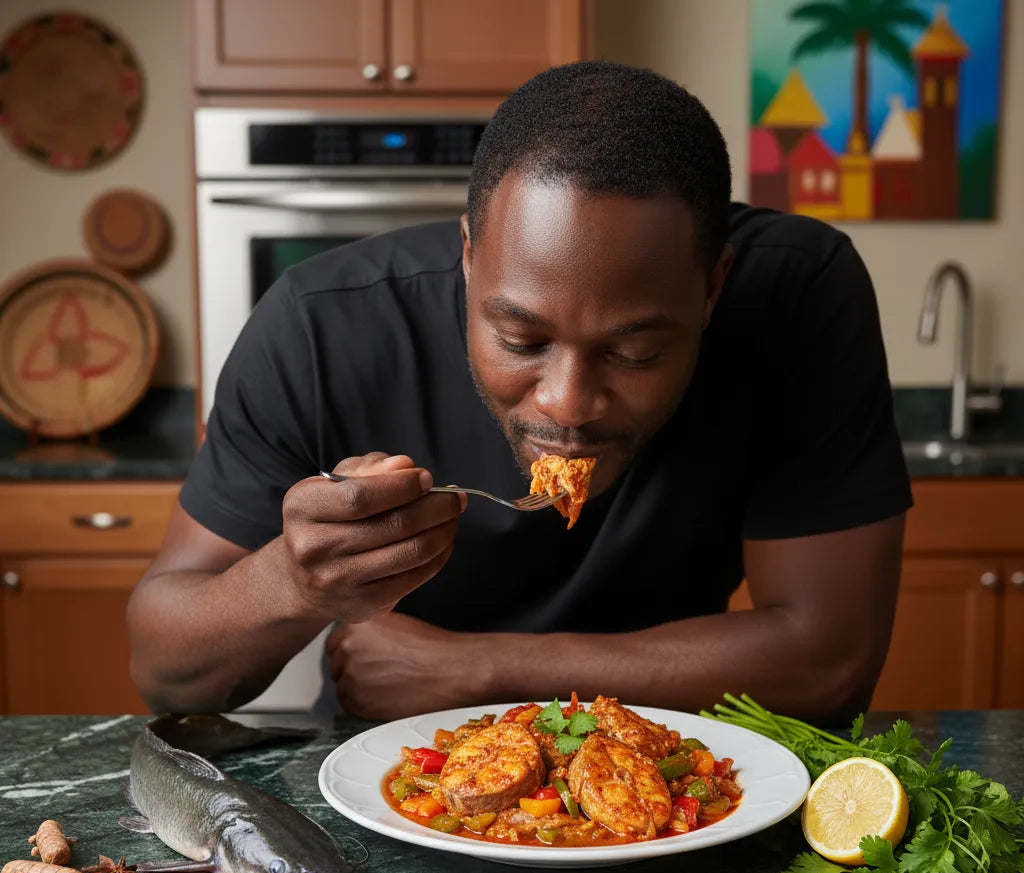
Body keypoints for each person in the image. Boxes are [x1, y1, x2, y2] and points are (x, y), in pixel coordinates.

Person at [127, 60, 911, 724]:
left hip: (678, 774)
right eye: (521, 341)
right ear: (469, 259)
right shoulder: (318, 326)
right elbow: (165, 672)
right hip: (394, 792)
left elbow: (828, 663)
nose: (568, 405)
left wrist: (484, 671)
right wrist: (291, 581)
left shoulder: (798, 293)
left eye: (634, 350)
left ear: (712, 289)